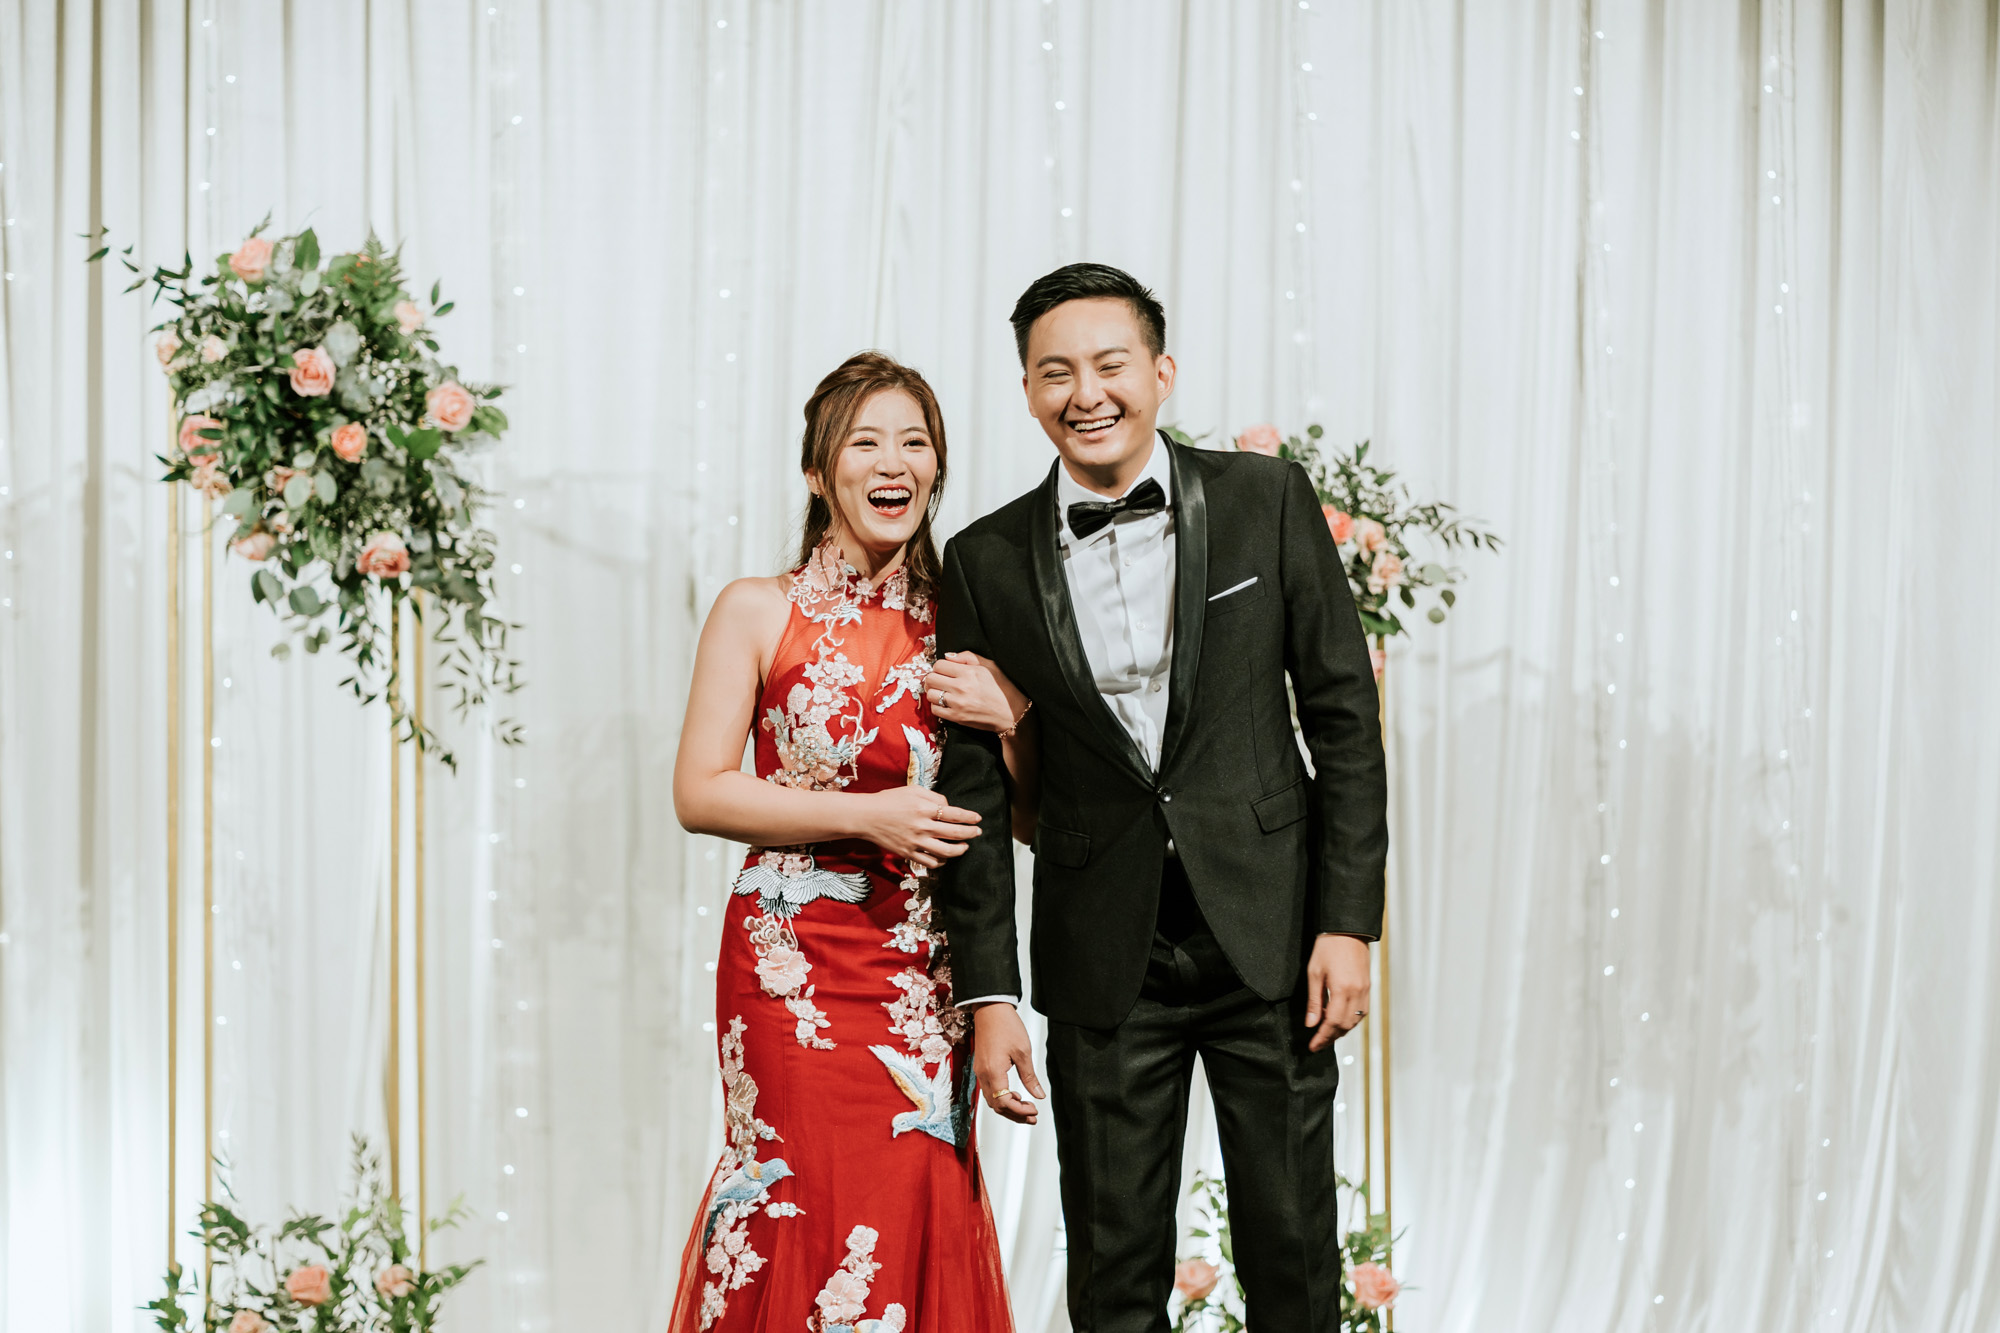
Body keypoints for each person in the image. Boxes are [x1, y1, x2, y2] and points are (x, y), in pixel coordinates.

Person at [931, 263, 1389, 1331]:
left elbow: (1342, 719)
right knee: (1112, 1276)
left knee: (1292, 1259)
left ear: (1161, 373)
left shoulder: (1266, 500)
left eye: (1110, 365)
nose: (1085, 393)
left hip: (1272, 935)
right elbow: (971, 795)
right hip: (1104, 955)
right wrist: (988, 991)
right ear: (1027, 390)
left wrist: (1347, 921)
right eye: (1056, 373)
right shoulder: (982, 559)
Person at [667, 352, 1023, 1333]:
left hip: (923, 973)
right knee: (799, 1192)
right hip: (792, 970)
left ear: (936, 467)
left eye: (914, 442)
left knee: (913, 1194)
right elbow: (699, 790)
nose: (892, 461)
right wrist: (867, 816)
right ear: (818, 471)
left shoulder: (967, 623)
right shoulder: (756, 607)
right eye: (865, 442)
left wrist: (1015, 717)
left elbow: (1028, 817)